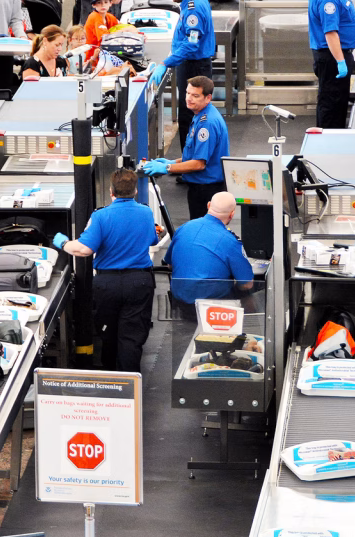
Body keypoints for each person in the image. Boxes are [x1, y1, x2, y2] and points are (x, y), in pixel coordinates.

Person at [53, 169, 157, 372]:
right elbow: (152, 239)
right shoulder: (146, 212)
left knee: (108, 334)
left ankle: (112, 380)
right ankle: (131, 386)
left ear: (111, 191)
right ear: (135, 191)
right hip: (140, 281)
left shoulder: (100, 216)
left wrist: (63, 243)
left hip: (107, 284)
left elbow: (83, 250)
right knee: (132, 337)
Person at [142, 76, 229, 221]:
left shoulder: (207, 123)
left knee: (201, 231)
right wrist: (174, 162)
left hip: (206, 189)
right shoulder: (200, 114)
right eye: (188, 93)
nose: (189, 98)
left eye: (195, 96)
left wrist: (168, 168)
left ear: (208, 98)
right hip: (200, 186)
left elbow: (199, 163)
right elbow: (197, 154)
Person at [165, 192, 254, 312]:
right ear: (232, 214)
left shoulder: (184, 228)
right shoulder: (231, 241)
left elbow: (170, 265)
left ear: (208, 205)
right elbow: (246, 284)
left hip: (181, 303)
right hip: (213, 308)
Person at [148, 0, 215, 151]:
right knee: (192, 113)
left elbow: (192, 43)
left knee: (191, 114)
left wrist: (166, 63)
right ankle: (190, 160)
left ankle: (193, 164)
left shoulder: (193, 9)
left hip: (194, 66)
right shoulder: (190, 4)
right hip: (191, 63)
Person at [308, 0, 355, 129]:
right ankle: (329, 141)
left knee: (337, 103)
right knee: (332, 104)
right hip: (332, 57)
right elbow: (330, 33)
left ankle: (335, 138)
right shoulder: (329, 2)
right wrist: (340, 61)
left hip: (336, 54)